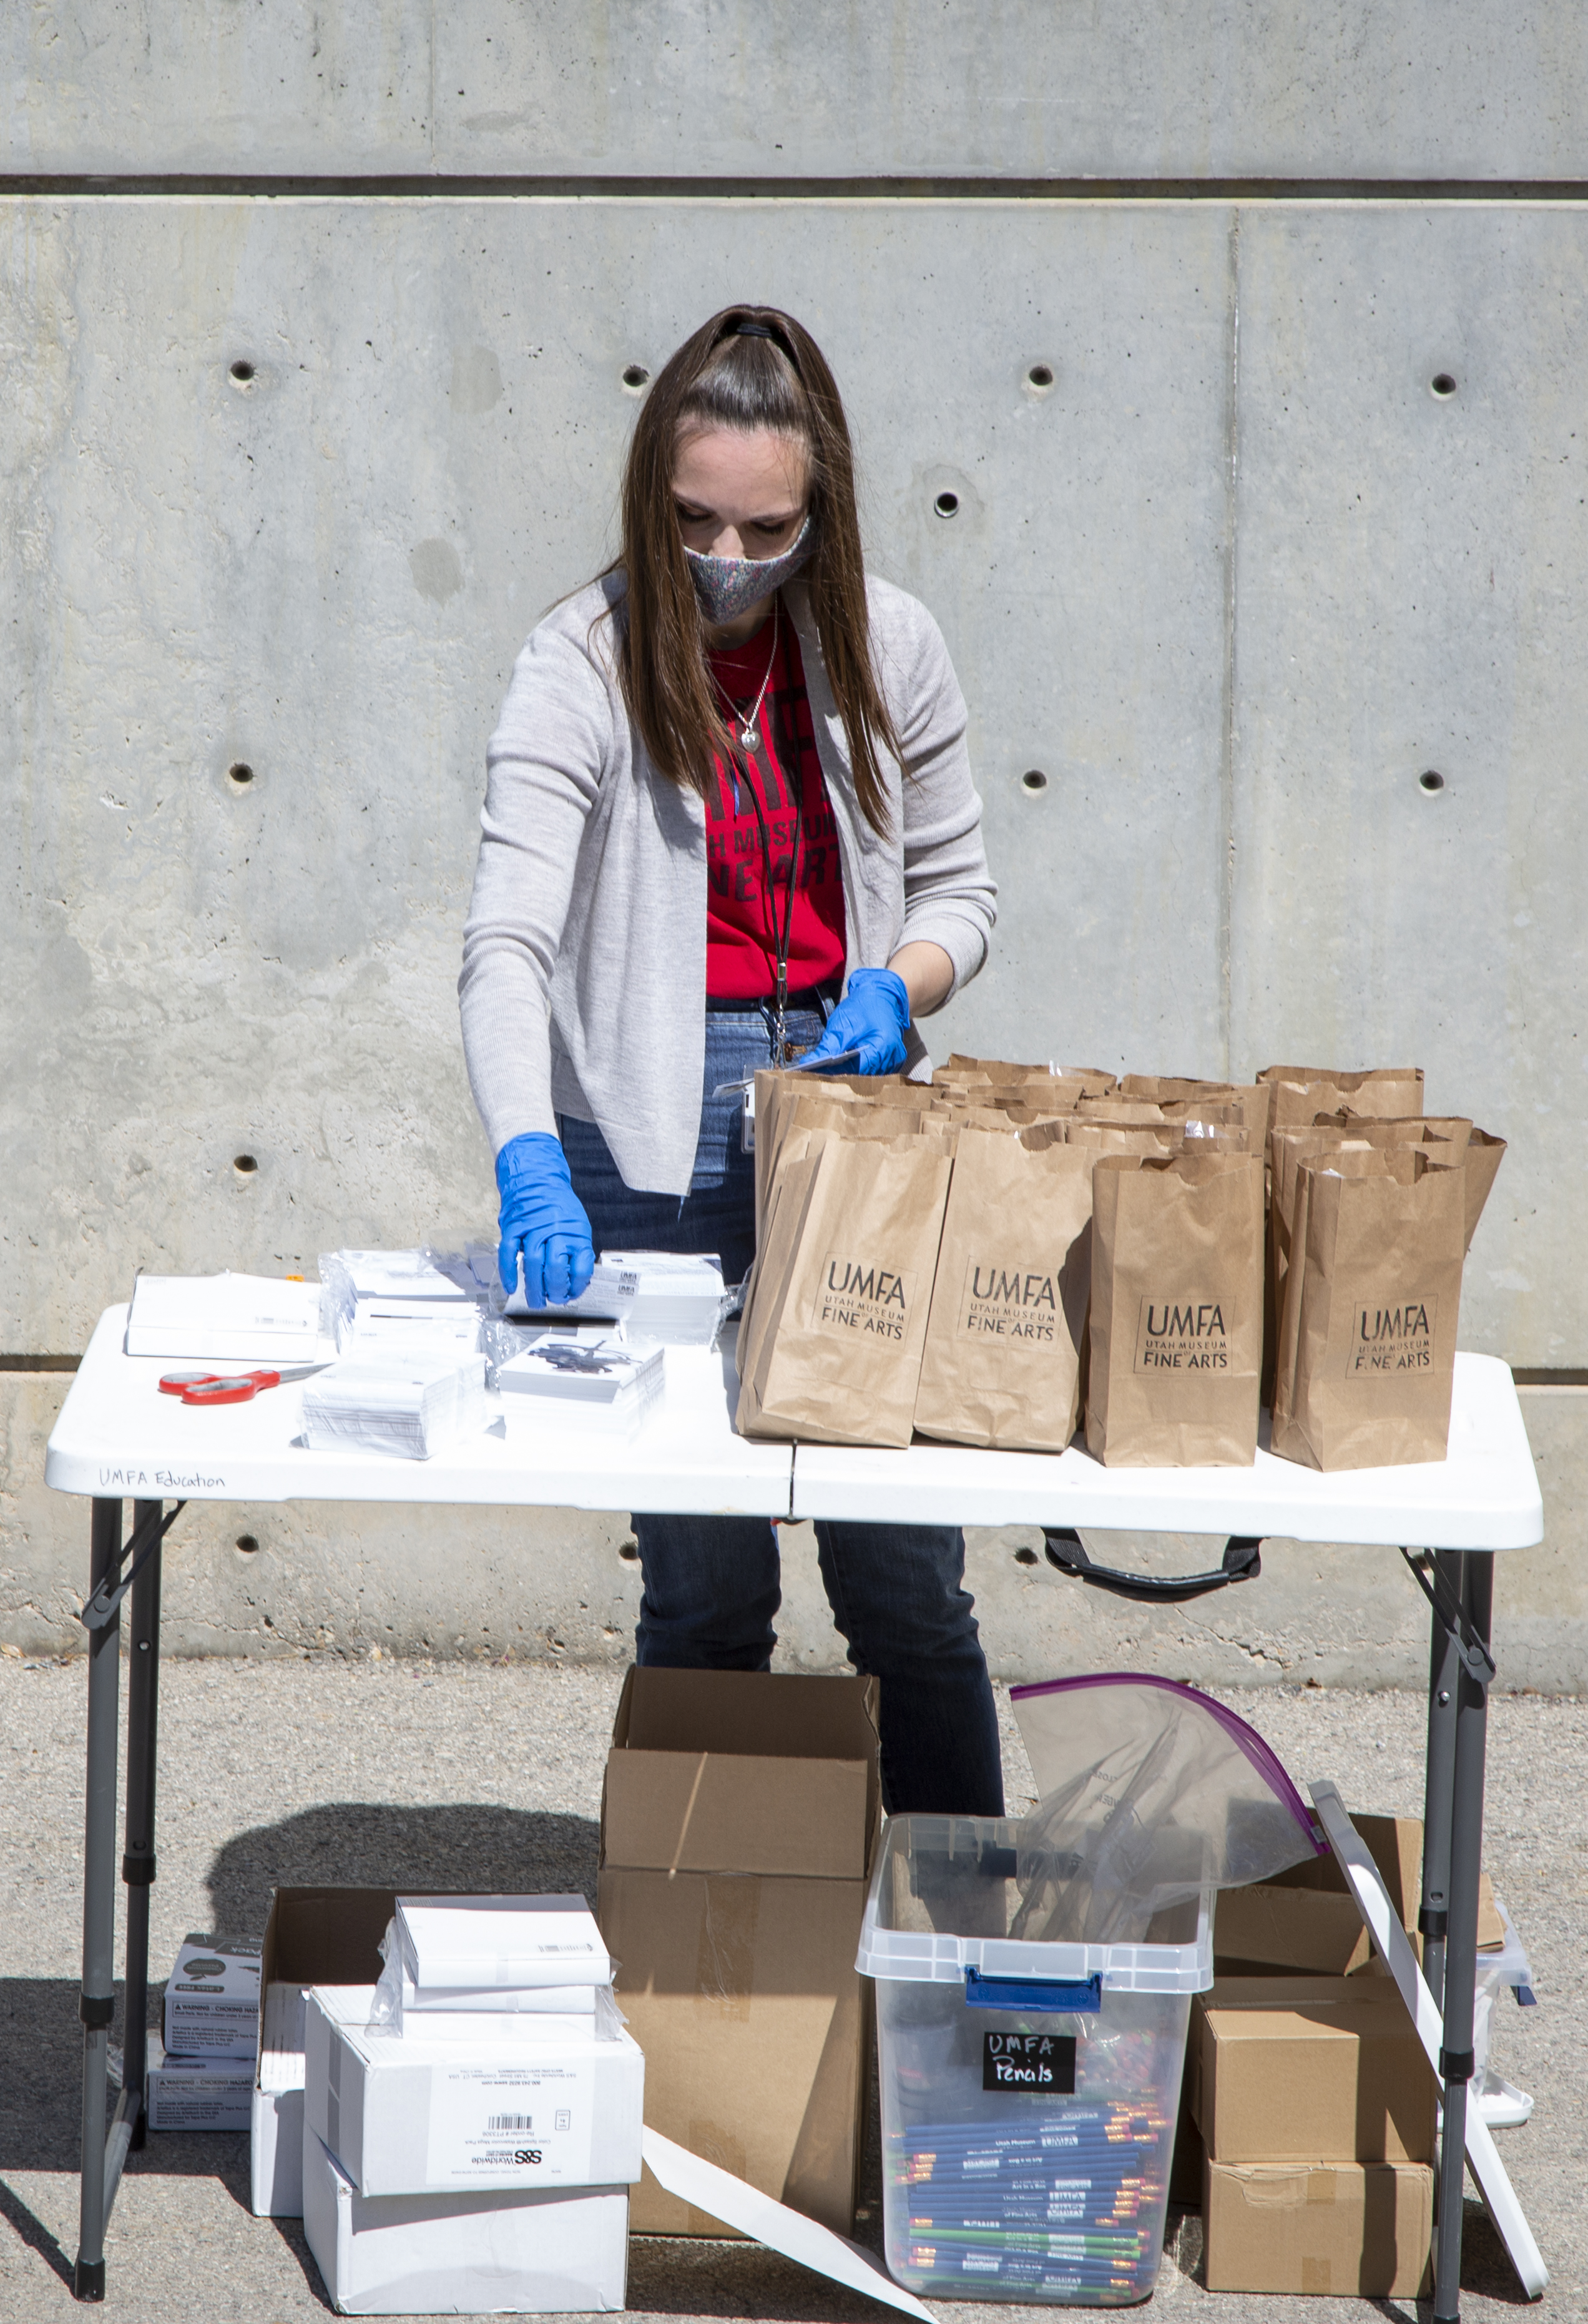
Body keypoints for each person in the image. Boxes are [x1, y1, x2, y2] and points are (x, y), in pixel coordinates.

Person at [458, 303, 1002, 1817]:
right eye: (693, 521)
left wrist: (898, 982)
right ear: (649, 496)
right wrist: (524, 1145)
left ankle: (951, 1958)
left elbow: (963, 888)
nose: (727, 559)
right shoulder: (576, 659)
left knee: (902, 1577)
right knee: (702, 1585)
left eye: (766, 528)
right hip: (640, 1137)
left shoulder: (889, 640)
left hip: (846, 1120)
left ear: (819, 511)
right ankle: (712, 1973)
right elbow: (504, 940)